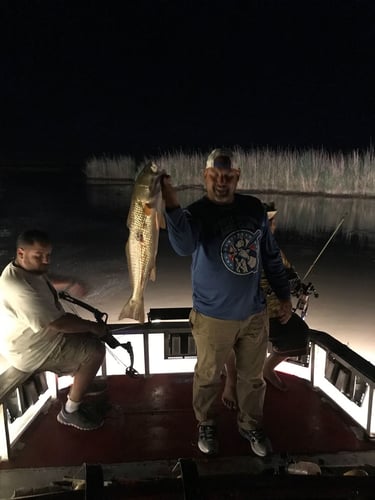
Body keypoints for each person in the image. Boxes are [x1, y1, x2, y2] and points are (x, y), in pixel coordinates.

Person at [162, 148, 293, 457]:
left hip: (254, 313)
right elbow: (182, 246)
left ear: (237, 177)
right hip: (212, 316)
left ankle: (250, 425)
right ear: (205, 178)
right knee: (207, 377)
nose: (221, 182)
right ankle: (206, 422)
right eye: (215, 176)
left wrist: (284, 294)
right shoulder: (195, 213)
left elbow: (270, 255)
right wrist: (170, 202)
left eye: (228, 176)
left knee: (252, 377)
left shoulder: (254, 208)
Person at [0, 229, 108, 431]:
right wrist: (93, 327)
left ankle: (80, 383)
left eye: (48, 255)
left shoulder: (25, 269)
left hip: (38, 339)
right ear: (21, 253)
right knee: (95, 352)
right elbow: (58, 323)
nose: (45, 261)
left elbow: (45, 281)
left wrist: (69, 283)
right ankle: (70, 411)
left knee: (85, 335)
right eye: (38, 256)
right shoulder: (19, 287)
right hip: (31, 351)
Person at [222, 203, 309, 409]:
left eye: (272, 223)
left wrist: (297, 291)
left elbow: (289, 275)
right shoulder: (235, 248)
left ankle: (268, 368)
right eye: (270, 223)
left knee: (299, 333)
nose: (273, 227)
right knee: (228, 336)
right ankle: (231, 381)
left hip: (274, 312)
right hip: (243, 312)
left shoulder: (276, 251)